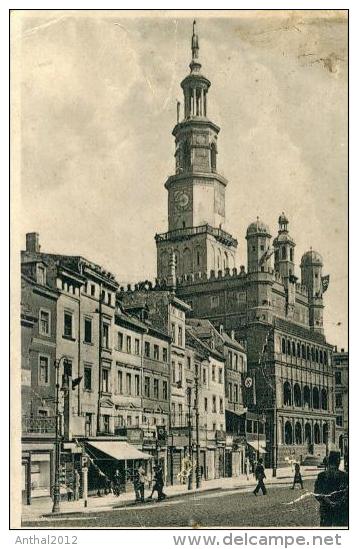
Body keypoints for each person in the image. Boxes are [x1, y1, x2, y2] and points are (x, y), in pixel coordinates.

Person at [314, 451, 348, 527]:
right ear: (338, 462)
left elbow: (316, 493)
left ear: (329, 461)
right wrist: (338, 503)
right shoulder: (345, 476)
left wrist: (328, 501)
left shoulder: (321, 475)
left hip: (326, 510)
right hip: (341, 510)